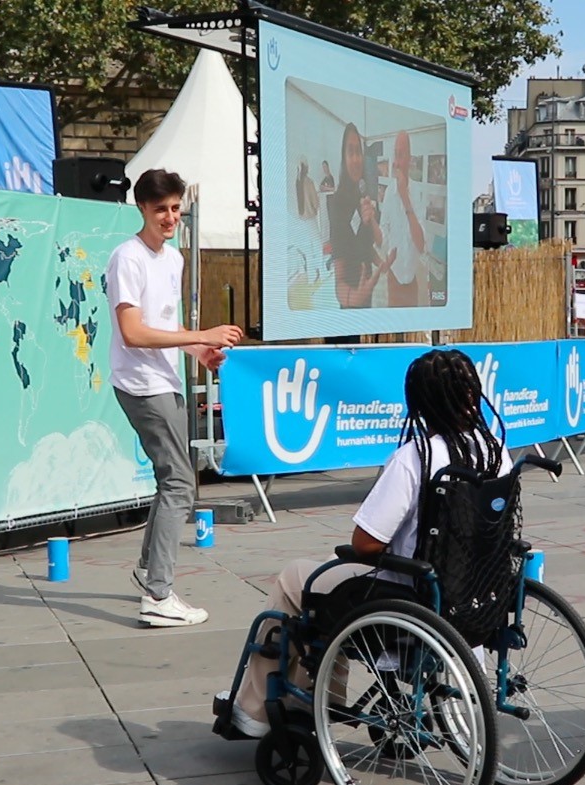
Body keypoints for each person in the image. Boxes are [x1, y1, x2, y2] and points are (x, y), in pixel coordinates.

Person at [218, 348, 513, 737]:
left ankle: (255, 709)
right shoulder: (496, 452)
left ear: (419, 403)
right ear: (473, 394)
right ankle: (318, 692)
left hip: (414, 593)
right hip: (474, 589)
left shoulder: (416, 457)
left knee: (297, 581)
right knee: (330, 575)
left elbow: (366, 543)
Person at [108, 168, 244, 627]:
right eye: (160, 209)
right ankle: (158, 595)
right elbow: (132, 332)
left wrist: (198, 350)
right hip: (142, 385)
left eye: (174, 207)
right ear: (142, 209)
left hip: (165, 381)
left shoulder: (173, 259)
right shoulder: (127, 257)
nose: (169, 217)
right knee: (181, 484)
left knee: (173, 480)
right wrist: (202, 332)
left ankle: (150, 571)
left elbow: (162, 327)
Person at [327, 123, 394, 309]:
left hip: (367, 293)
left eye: (359, 152)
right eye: (351, 152)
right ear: (343, 158)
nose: (356, 159)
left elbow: (364, 246)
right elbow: (339, 277)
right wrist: (354, 297)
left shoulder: (364, 197)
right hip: (351, 300)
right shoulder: (337, 203)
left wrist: (381, 263)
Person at [381, 131, 427, 308]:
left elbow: (421, 245)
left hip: (413, 276)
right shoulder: (387, 193)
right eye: (395, 154)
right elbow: (384, 230)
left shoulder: (417, 193)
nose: (396, 162)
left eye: (401, 155)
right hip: (394, 275)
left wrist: (404, 196)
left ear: (409, 159)